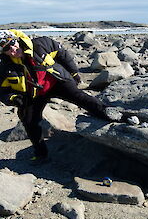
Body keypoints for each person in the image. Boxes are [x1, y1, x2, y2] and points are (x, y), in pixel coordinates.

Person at [0, 29, 109, 163]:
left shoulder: (40, 44)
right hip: (34, 93)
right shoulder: (5, 66)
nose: (12, 49)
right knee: (28, 120)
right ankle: (41, 154)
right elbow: (2, 91)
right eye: (6, 48)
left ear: (16, 40)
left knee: (81, 97)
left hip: (57, 82)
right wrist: (14, 99)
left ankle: (109, 114)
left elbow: (62, 53)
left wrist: (74, 73)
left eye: (12, 43)